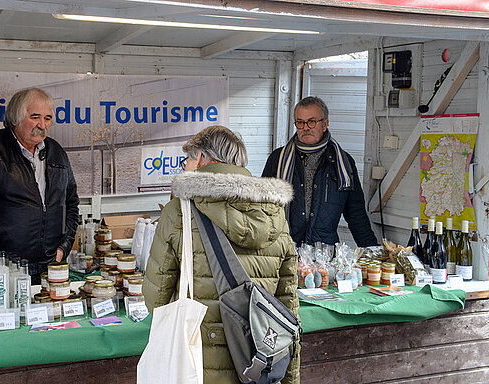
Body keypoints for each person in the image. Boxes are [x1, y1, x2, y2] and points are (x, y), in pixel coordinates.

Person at [143, 125, 300, 383]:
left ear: (204, 159)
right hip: (257, 361)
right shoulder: (276, 214)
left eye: (190, 158)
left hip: (198, 362)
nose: (185, 165)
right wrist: (291, 377)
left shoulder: (178, 213)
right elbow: (288, 304)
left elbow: (156, 301)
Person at [0, 88, 79, 287]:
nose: (42, 125)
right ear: (15, 118)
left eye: (47, 118)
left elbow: (71, 204)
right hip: (1, 275)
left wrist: (63, 248)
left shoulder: (56, 152)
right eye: (35, 117)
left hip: (49, 270)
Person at [262, 96, 377, 247]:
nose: (306, 127)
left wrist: (373, 250)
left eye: (312, 121)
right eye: (300, 122)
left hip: (325, 255)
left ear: (325, 124)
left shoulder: (343, 163)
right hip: (283, 249)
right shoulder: (278, 159)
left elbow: (356, 213)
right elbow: (262, 207)